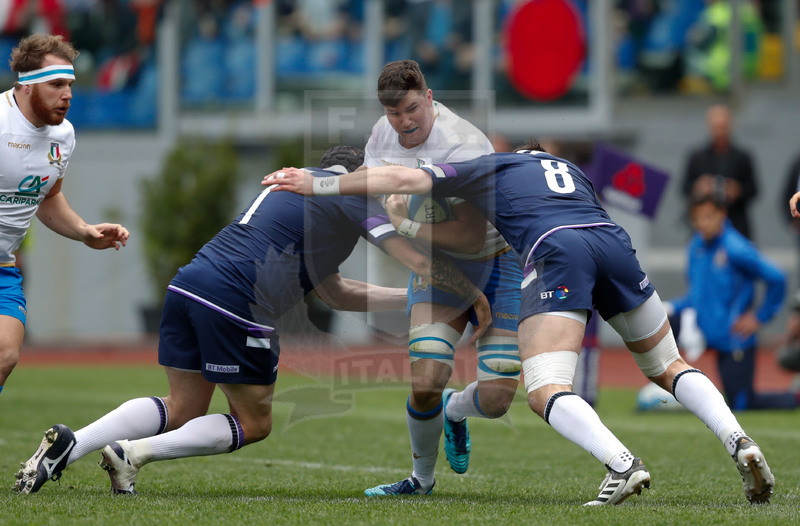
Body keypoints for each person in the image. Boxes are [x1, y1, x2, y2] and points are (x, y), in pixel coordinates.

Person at [264, 140, 776, 506]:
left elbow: (402, 180)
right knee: (668, 365)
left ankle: (622, 464)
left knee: (545, 388)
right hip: (611, 241)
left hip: (555, 252)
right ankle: (739, 441)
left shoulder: (494, 165)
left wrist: (320, 183)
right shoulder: (569, 169)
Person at [13, 146, 490, 495]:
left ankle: (71, 445)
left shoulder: (299, 191)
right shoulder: (347, 194)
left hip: (190, 283)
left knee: (182, 407)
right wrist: (465, 291)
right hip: (239, 297)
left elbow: (336, 292)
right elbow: (408, 254)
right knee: (255, 422)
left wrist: (409, 298)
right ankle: (131, 453)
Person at [361, 59, 522, 496]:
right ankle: (421, 481)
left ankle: (456, 410)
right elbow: (371, 196)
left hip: (495, 262)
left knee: (495, 400)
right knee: (426, 381)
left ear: (429, 98)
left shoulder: (463, 145)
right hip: (438, 266)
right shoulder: (380, 135)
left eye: (412, 109)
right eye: (394, 113)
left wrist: (406, 225)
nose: (404, 122)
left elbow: (471, 236)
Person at [0, 34, 129, 397]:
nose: (68, 94)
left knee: (5, 355)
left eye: (70, 84)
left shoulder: (64, 135)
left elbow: (48, 197)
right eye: (56, 84)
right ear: (26, 85)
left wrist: (85, 231)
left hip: (3, 267)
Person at [665, 193, 795, 410]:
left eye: (708, 216)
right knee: (659, 322)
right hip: (703, 331)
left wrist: (759, 317)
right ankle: (661, 392)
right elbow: (697, 295)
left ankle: (795, 397)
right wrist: (669, 307)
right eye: (697, 218)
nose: (703, 223)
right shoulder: (696, 247)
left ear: (722, 215)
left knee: (741, 404)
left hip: (734, 339)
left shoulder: (736, 248)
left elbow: (777, 278)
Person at [681, 104, 758, 240]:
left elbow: (754, 189)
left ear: (730, 126)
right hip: (705, 226)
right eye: (716, 126)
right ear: (709, 126)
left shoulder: (742, 157)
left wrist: (737, 191)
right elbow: (684, 188)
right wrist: (699, 187)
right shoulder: (697, 157)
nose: (720, 131)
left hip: (736, 223)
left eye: (723, 126)